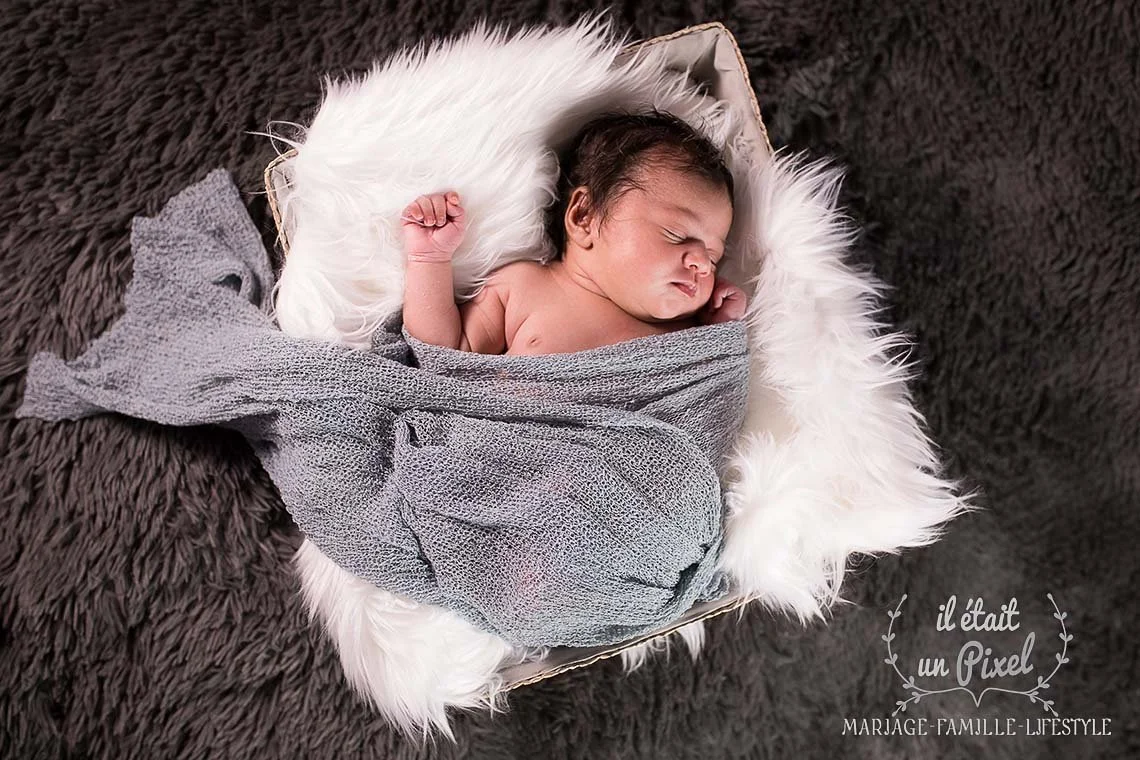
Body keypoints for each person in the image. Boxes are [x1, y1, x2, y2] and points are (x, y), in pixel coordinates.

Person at [401, 110, 747, 356]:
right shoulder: (524, 288)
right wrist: (429, 259)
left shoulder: (683, 334)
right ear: (584, 216)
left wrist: (718, 332)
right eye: (675, 234)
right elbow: (442, 355)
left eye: (714, 256)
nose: (703, 263)